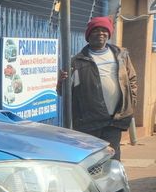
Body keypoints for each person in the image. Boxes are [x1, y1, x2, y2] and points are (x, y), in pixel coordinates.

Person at [58, 16, 137, 160]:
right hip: (90, 122)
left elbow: (132, 79)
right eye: (95, 31)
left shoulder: (121, 55)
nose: (100, 33)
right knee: (92, 159)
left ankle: (113, 182)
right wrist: (61, 82)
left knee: (112, 157)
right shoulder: (77, 61)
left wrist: (130, 103)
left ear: (109, 34)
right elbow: (64, 93)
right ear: (88, 36)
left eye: (103, 30)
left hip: (115, 119)